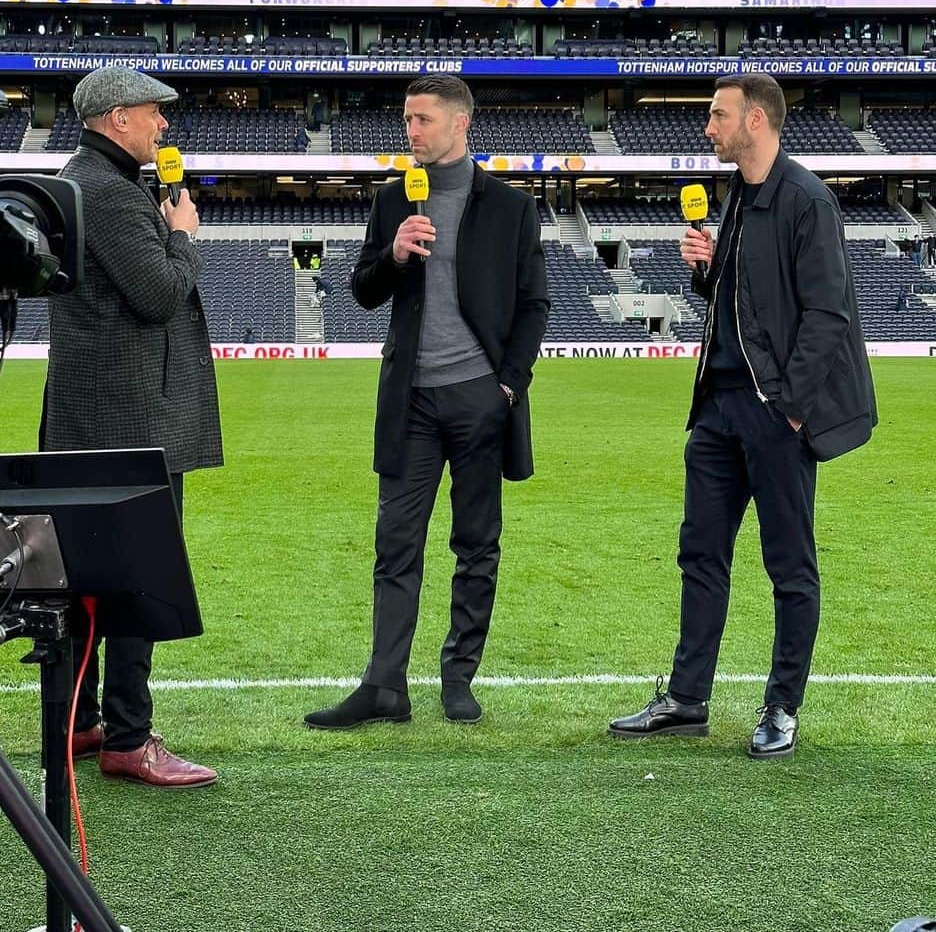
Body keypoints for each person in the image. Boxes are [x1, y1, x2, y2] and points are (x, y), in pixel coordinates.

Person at [608, 73, 877, 759]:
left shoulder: (805, 200)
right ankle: (687, 700)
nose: (708, 128)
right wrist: (705, 273)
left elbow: (827, 315)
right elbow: (740, 308)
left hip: (772, 415)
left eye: (717, 115)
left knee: (789, 566)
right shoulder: (736, 200)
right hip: (717, 412)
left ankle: (783, 707)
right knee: (700, 554)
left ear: (755, 121)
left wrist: (788, 408)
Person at [304, 75, 549, 730]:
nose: (411, 132)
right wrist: (393, 253)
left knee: (476, 544)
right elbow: (361, 291)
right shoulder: (393, 201)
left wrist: (508, 385)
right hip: (409, 400)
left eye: (423, 120)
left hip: (479, 399)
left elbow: (535, 305)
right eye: (407, 120)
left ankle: (458, 677)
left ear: (460, 124)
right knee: (396, 544)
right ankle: (385, 686)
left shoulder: (510, 207)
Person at [40, 65, 221, 787]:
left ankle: (78, 721)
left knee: (84, 577)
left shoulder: (81, 179)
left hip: (92, 417)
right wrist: (182, 235)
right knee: (137, 577)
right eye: (154, 113)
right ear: (117, 118)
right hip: (130, 418)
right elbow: (159, 294)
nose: (164, 125)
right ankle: (129, 736)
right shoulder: (112, 194)